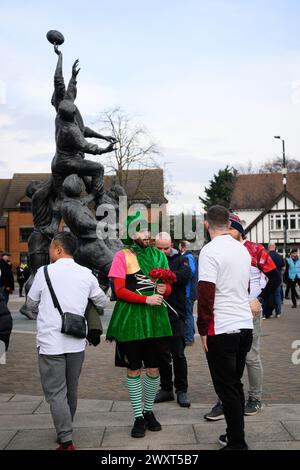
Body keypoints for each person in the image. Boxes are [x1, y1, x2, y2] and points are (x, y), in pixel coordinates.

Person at [27, 232, 108, 450]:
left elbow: (31, 303)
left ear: (59, 249)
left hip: (50, 342)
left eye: (51, 248)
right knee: (71, 390)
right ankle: (66, 428)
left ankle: (66, 439)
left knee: (55, 393)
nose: (49, 252)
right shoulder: (86, 273)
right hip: (76, 342)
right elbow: (102, 300)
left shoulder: (44, 272)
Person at [204, 214, 281, 422]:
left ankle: (255, 398)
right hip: (224, 312)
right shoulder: (218, 249)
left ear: (239, 230)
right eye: (225, 228)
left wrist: (260, 300)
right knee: (225, 359)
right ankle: (226, 400)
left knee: (250, 356)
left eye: (231, 229)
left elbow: (275, 278)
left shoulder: (254, 249)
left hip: (249, 310)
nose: (226, 233)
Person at [106, 212, 172, 438]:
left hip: (155, 320)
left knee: (154, 369)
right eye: (141, 230)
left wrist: (165, 290)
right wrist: (146, 299)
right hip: (130, 321)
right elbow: (119, 290)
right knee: (134, 368)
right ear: (130, 234)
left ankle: (149, 411)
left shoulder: (158, 254)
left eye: (147, 230)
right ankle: (138, 416)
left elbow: (167, 287)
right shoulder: (121, 256)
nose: (147, 234)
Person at [197, 205, 255, 450]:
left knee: (227, 388)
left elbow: (206, 293)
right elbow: (246, 287)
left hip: (222, 328)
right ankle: (234, 435)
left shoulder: (209, 251)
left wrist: (202, 330)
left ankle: (237, 443)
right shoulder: (242, 250)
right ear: (229, 224)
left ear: (206, 224)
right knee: (236, 385)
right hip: (244, 326)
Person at [154, 233, 192, 407]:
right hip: (157, 313)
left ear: (172, 245)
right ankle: (166, 388)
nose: (162, 251)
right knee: (161, 354)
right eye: (159, 248)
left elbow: (185, 275)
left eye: (166, 248)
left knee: (178, 354)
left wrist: (165, 276)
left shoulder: (180, 259)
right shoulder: (150, 258)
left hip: (176, 313)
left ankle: (182, 390)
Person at [178, 240, 197, 345]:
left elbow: (191, 271)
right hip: (189, 290)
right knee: (189, 314)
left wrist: (183, 278)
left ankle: (189, 338)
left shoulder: (188, 257)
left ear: (183, 247)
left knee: (188, 314)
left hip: (188, 291)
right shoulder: (189, 256)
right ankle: (191, 335)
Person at [267, 242, 285, 318]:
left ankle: (267, 313)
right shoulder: (280, 256)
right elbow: (283, 268)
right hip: (277, 279)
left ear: (268, 247)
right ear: (275, 247)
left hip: (268, 279)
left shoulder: (267, 256)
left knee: (268, 296)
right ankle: (278, 313)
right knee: (277, 296)